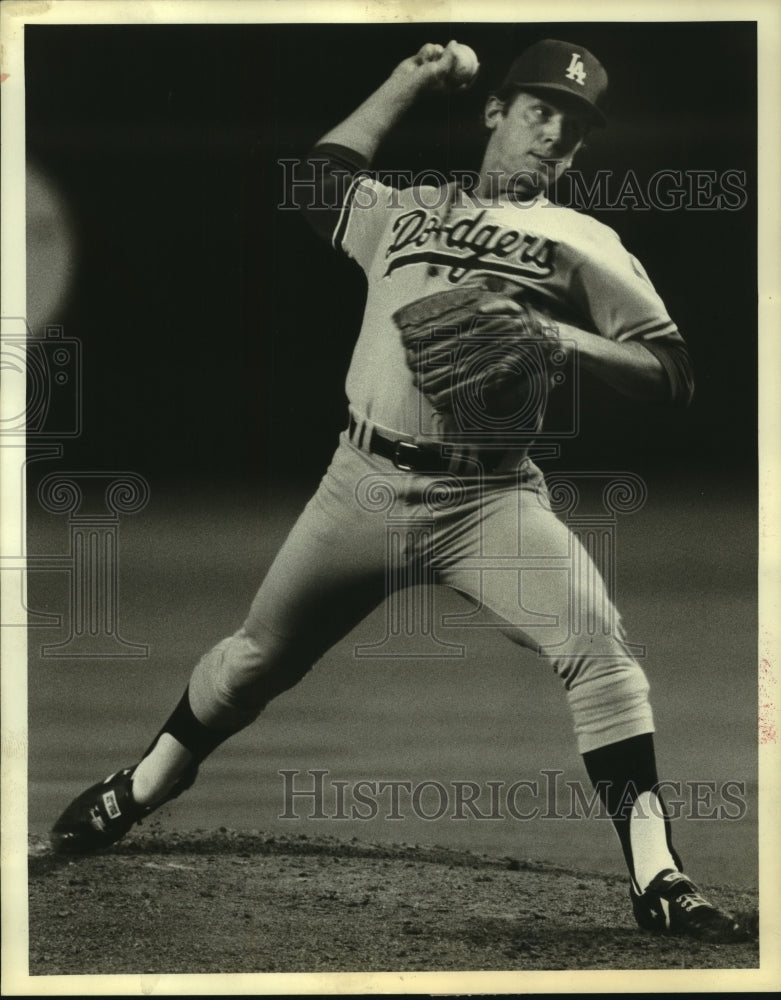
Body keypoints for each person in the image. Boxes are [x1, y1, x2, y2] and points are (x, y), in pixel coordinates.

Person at [51, 37, 751, 944]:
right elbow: (317, 181)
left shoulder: (584, 242)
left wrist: (558, 337)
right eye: (540, 110)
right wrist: (409, 77)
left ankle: (657, 874)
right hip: (364, 486)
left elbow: (672, 370)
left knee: (599, 650)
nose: (554, 134)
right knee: (252, 662)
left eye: (573, 126)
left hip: (488, 502)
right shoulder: (404, 209)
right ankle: (147, 781)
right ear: (495, 111)